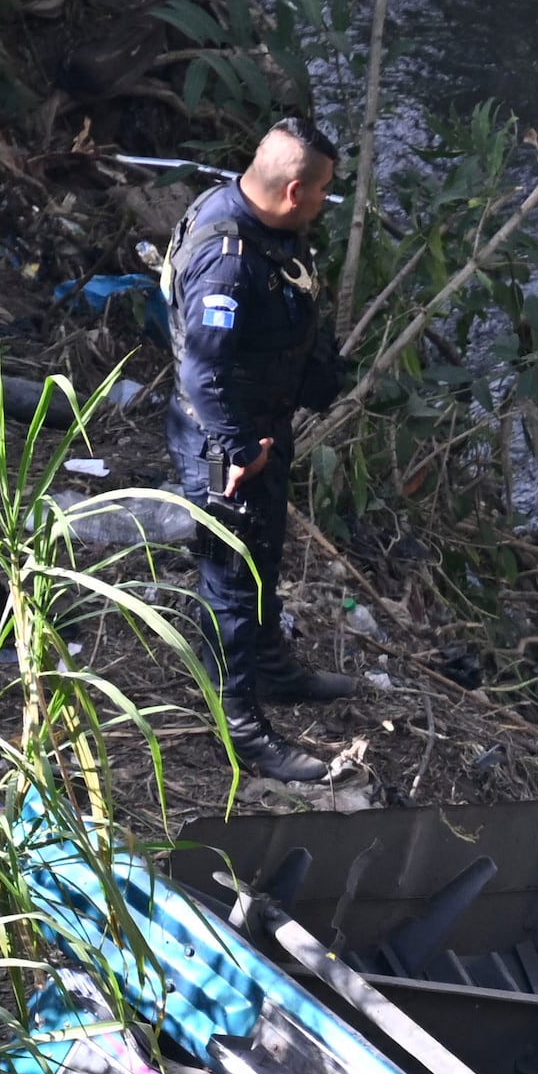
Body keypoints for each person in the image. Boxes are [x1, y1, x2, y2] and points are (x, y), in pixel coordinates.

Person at [161, 119, 371, 707]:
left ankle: (271, 668)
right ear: (293, 192)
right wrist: (240, 451)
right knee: (228, 576)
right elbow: (202, 374)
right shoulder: (226, 261)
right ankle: (238, 722)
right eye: (324, 191)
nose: (327, 203)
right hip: (222, 443)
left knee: (263, 556)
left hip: (262, 428)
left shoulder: (268, 226)